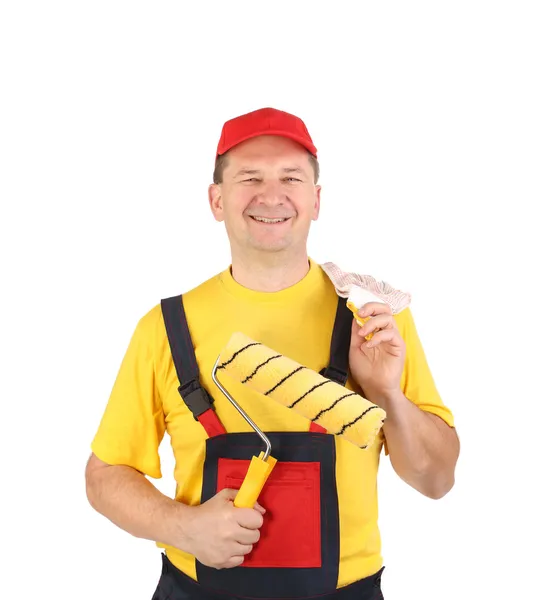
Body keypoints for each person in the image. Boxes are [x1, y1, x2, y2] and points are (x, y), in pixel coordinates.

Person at [85, 107, 460, 600]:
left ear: (316, 199)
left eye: (291, 177)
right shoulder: (165, 327)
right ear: (216, 200)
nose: (272, 194)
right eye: (250, 177)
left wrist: (387, 393)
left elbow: (436, 480)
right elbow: (104, 476)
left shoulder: (372, 323)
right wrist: (183, 527)